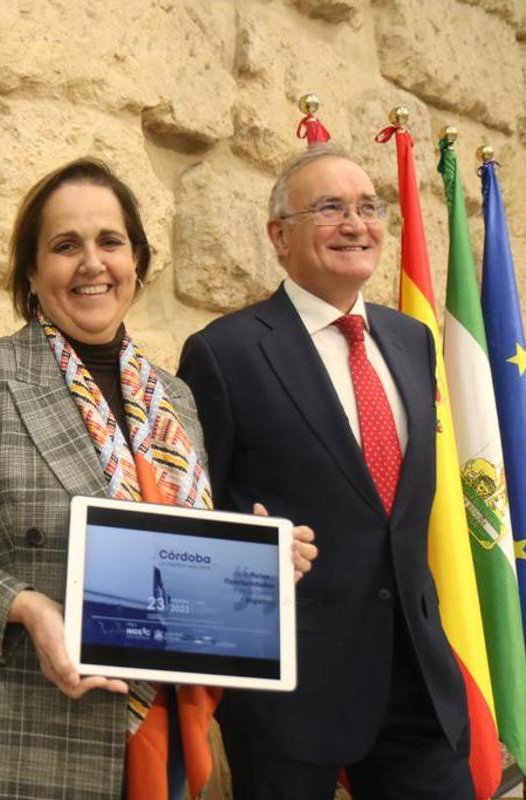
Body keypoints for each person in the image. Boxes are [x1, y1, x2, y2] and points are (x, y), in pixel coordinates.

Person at [0, 158, 316, 800]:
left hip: (161, 739)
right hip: (13, 753)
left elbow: (168, 559)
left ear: (137, 261)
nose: (91, 263)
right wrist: (25, 607)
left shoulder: (173, 398)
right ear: (31, 272)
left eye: (110, 241)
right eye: (64, 246)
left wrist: (252, 561)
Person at [177, 144, 471, 800]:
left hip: (416, 675)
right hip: (291, 692)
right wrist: (250, 544)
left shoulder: (411, 340)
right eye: (331, 208)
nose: (356, 224)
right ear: (279, 235)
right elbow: (194, 518)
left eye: (368, 208)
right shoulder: (224, 353)